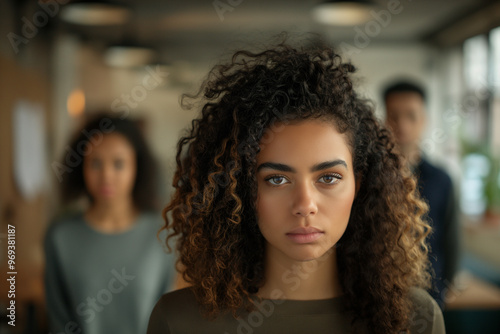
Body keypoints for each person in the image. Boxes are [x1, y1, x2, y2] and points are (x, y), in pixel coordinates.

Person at [147, 42, 445, 334]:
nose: (305, 204)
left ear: (360, 183)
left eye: (328, 177)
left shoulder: (416, 320)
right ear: (241, 189)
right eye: (277, 179)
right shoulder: (179, 322)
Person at [44, 114, 177, 334]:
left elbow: (165, 321)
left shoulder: (162, 234)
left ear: (137, 167)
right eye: (95, 163)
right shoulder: (60, 237)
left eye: (118, 163)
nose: (106, 175)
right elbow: (58, 321)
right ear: (81, 167)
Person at [383, 81, 460, 308]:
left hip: (430, 292)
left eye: (411, 116)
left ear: (423, 120)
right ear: (383, 120)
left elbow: (451, 238)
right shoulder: (368, 178)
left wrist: (448, 285)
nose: (402, 125)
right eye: (394, 116)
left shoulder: (441, 179)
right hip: (380, 291)